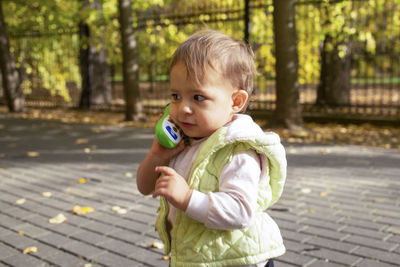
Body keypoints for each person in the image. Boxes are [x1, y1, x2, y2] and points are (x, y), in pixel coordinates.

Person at [136, 30, 287, 267]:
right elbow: (145, 187)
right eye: (176, 96)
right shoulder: (184, 141)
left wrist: (187, 198)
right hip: (198, 257)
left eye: (198, 97)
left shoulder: (238, 151)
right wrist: (157, 154)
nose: (183, 108)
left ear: (235, 102)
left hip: (237, 261)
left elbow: (240, 212)